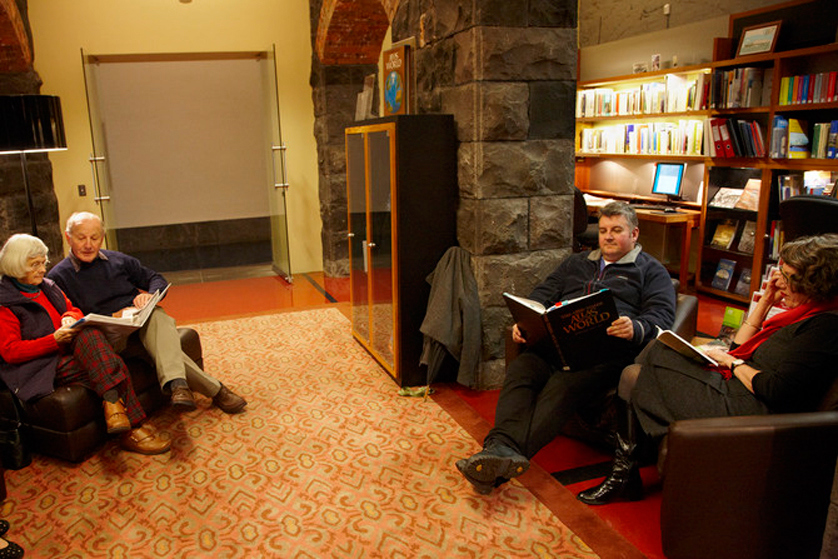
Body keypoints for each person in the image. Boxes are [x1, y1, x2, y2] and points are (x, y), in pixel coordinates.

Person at [578, 233, 838, 505]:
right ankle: (625, 474)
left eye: (788, 277)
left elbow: (776, 390)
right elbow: (738, 346)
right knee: (634, 373)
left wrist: (734, 364)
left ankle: (627, 469)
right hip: (737, 390)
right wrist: (764, 303)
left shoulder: (824, 327)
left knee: (657, 351)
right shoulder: (803, 314)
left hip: (749, 410)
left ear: (816, 283)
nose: (779, 282)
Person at [456, 201, 676, 494]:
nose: (608, 236)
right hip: (557, 344)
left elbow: (662, 317)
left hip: (604, 354)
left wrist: (636, 327)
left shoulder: (651, 271)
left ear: (634, 234)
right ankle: (500, 450)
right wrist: (525, 321)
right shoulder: (576, 263)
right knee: (522, 369)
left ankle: (495, 460)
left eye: (617, 230)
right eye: (604, 230)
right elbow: (541, 294)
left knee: (563, 384)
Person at [47, 212, 246, 414]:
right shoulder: (57, 277)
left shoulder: (118, 260)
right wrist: (112, 317)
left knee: (156, 314)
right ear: (68, 237)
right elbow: (65, 320)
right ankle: (216, 390)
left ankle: (179, 387)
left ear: (102, 237)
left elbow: (155, 278)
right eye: (81, 238)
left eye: (94, 237)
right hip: (106, 340)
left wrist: (150, 295)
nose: (88, 244)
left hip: (137, 326)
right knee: (165, 346)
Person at [0, 234, 170, 455]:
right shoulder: (5, 303)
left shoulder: (47, 286)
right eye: (35, 265)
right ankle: (132, 427)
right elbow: (10, 352)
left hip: (65, 347)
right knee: (108, 364)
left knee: (89, 332)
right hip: (41, 364)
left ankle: (114, 407)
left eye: (43, 262)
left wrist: (69, 316)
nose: (42, 269)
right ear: (16, 265)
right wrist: (52, 340)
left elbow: (73, 309)